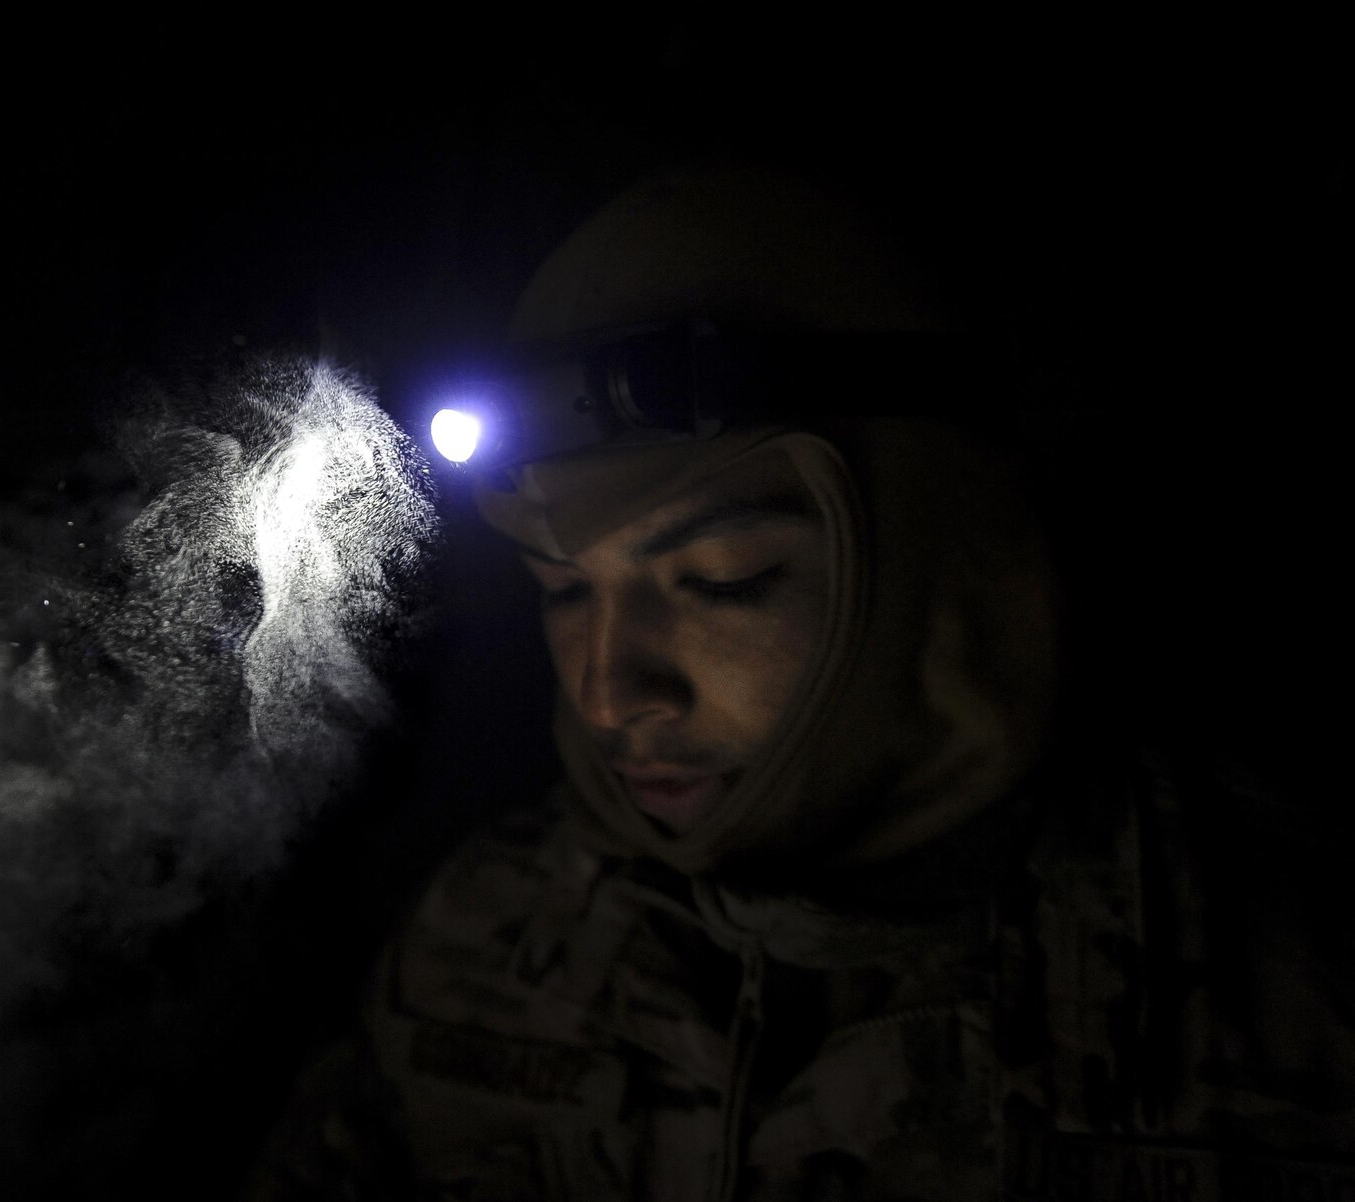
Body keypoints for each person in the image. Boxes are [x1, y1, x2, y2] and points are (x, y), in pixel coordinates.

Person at [246, 166, 1355, 1200]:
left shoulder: (1289, 979)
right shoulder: (480, 935)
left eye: (723, 579)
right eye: (563, 589)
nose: (609, 694)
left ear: (939, 562)